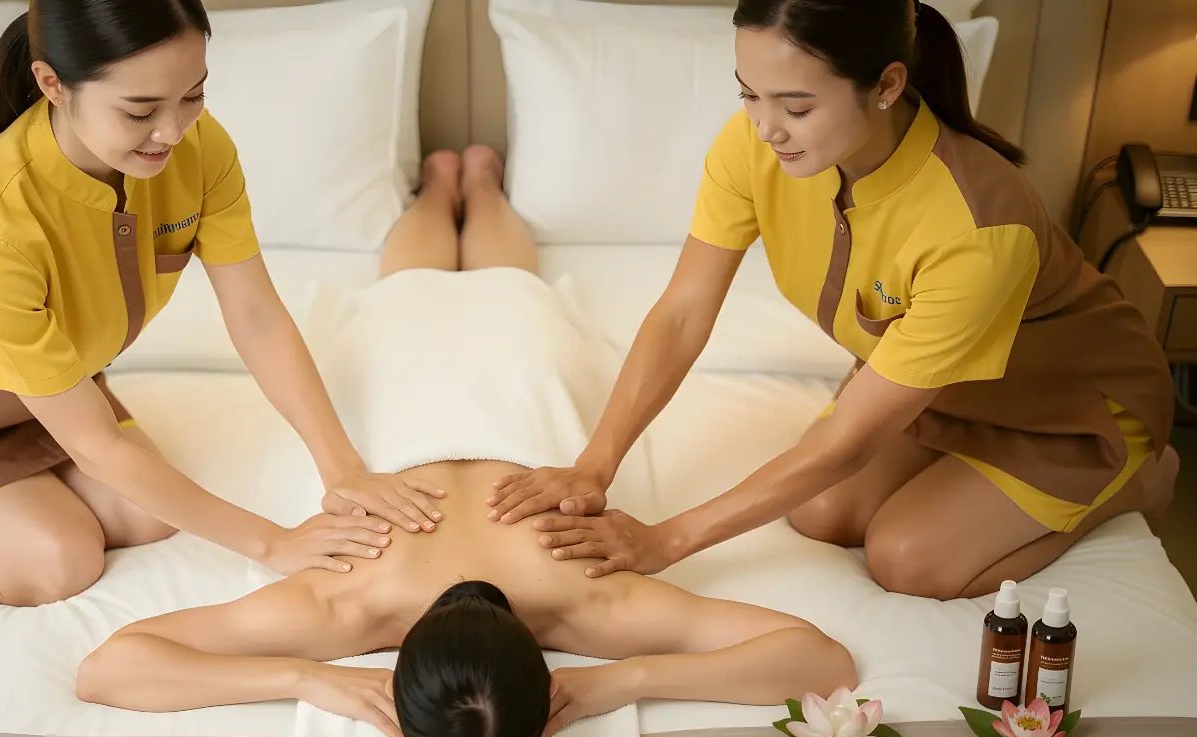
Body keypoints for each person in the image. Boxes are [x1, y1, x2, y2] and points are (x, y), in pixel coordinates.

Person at [75, 147, 857, 737]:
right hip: (484, 389)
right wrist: (302, 675)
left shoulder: (352, 599)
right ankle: (453, 184)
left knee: (475, 290)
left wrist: (624, 678)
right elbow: (815, 659)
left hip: (497, 385)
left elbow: (113, 665)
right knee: (432, 291)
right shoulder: (579, 595)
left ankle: (468, 182)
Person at [487, 0, 1179, 601]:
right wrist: (592, 465)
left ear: (885, 85)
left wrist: (668, 539)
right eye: (747, 95)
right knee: (819, 512)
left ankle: (1133, 481)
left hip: (1067, 410)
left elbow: (846, 441)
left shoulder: (976, 227)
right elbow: (681, 312)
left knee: (905, 559)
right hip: (935, 389)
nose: (765, 128)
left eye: (795, 105)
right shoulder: (755, 148)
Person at [0, 0, 443, 608]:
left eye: (193, 95)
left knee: (150, 517)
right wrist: (274, 543)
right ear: (51, 84)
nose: (173, 130)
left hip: (32, 392)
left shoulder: (199, 150)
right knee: (57, 563)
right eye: (139, 109)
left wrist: (343, 470)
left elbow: (257, 315)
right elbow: (93, 441)